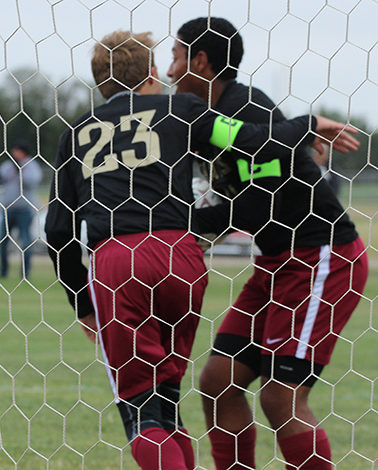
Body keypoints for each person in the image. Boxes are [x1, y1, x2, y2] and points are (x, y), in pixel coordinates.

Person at [44, 29, 359, 470]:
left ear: (99, 84)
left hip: (121, 260)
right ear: (151, 73)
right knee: (206, 384)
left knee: (146, 412)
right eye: (165, 62)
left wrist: (84, 304)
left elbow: (58, 233)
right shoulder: (183, 110)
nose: (171, 71)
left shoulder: (76, 133)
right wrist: (307, 125)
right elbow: (253, 139)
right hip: (182, 257)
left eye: (178, 57)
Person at [167, 17, 369, 470]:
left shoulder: (247, 107)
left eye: (176, 56)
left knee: (280, 397)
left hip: (321, 258)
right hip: (276, 263)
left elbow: (256, 207)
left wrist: (179, 227)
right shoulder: (202, 121)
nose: (169, 68)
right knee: (219, 382)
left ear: (201, 60)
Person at [0, 139, 42, 278]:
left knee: (25, 241)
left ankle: (25, 274)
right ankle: (3, 273)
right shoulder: (7, 165)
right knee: (3, 242)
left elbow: (32, 182)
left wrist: (20, 170)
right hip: (8, 209)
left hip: (25, 210)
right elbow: (1, 179)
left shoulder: (31, 166)